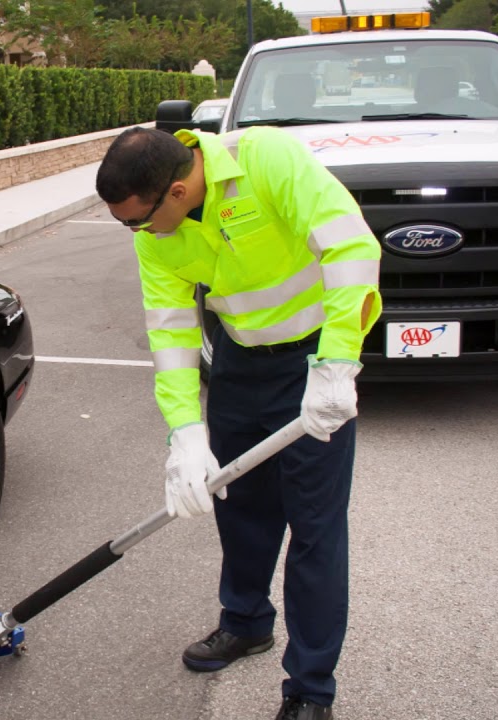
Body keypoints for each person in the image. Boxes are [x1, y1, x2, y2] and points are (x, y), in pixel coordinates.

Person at [95, 125, 381, 720]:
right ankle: (246, 622)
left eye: (137, 221)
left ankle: (309, 689)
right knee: (242, 509)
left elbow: (351, 248)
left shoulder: (265, 159)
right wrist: (185, 432)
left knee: (314, 529)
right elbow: (170, 330)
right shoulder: (157, 236)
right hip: (238, 366)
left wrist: (336, 364)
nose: (136, 234)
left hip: (312, 361)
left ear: (175, 192)